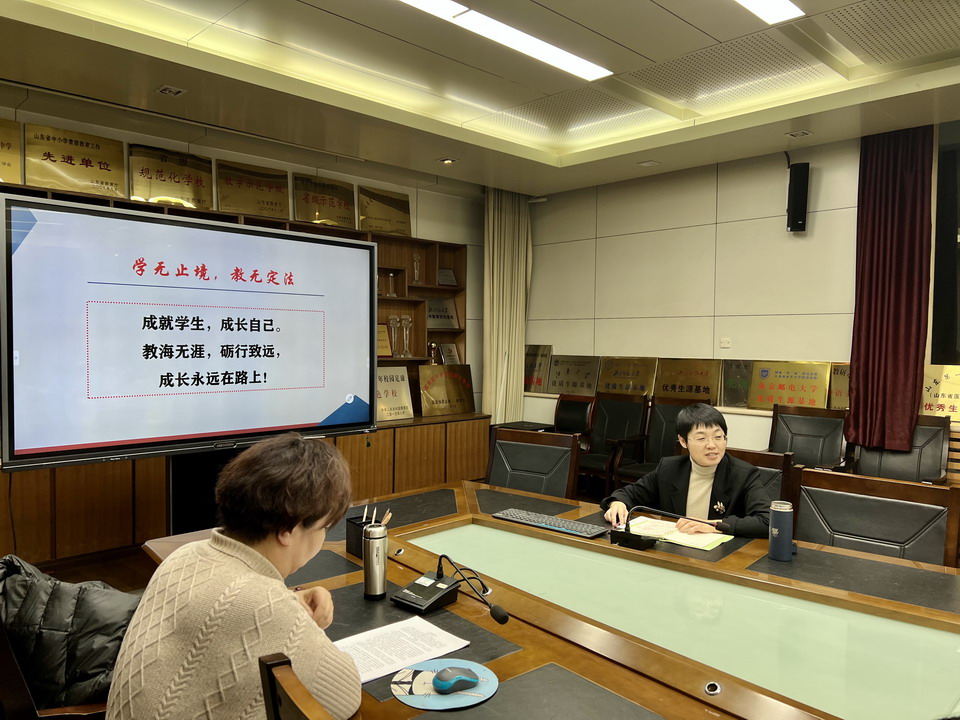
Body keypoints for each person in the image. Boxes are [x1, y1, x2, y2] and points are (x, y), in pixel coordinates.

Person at [106, 433, 362, 720]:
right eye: (324, 527)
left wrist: (290, 600)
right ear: (287, 531)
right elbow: (346, 696)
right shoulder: (267, 605)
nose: (323, 536)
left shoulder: (184, 556)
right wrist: (291, 614)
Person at [601, 403, 770, 537]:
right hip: (676, 550)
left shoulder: (744, 474)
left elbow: (768, 521)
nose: (712, 445)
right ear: (683, 441)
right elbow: (628, 494)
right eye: (701, 438)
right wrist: (618, 503)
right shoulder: (669, 468)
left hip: (724, 556)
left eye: (718, 437)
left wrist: (715, 525)